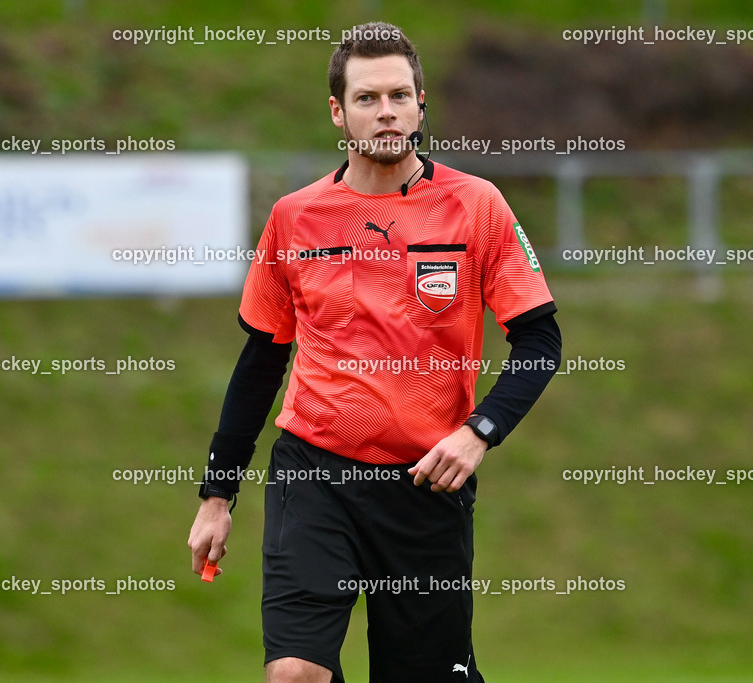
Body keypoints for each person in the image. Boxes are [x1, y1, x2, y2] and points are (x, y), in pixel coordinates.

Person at [189, 21, 561, 683]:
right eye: (366, 98)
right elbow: (261, 359)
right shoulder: (294, 217)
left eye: (398, 95)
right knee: (294, 673)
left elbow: (539, 339)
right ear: (339, 112)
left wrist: (480, 432)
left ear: (421, 105)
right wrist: (218, 493)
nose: (384, 111)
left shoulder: (477, 207)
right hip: (314, 475)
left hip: (426, 486)